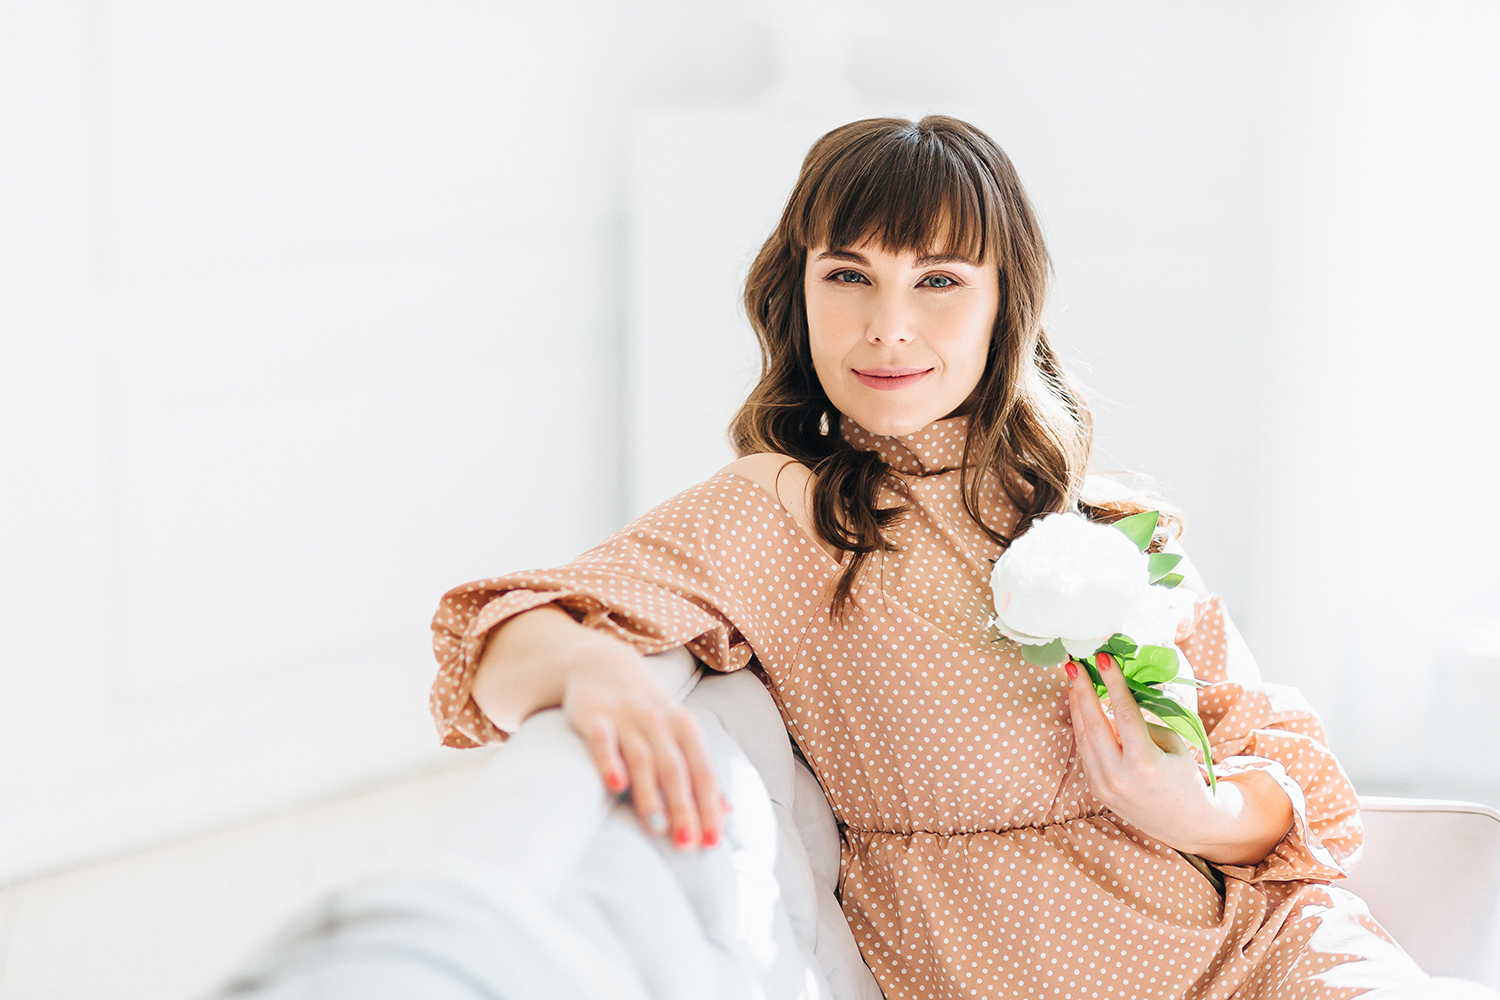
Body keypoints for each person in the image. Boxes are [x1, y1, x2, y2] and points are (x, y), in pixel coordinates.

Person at [429, 116, 1488, 999]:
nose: (888, 326)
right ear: (799, 291)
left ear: (1001, 302)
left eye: (938, 279)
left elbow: (1284, 774)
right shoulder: (779, 509)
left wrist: (1191, 811)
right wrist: (593, 668)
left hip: (1269, 952)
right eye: (849, 274)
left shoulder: (1104, 519)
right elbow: (497, 638)